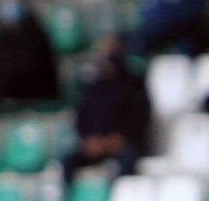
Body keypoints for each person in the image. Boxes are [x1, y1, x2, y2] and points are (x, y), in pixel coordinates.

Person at [59, 36, 151, 186]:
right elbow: (82, 118)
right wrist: (89, 139)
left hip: (124, 143)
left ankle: (121, 200)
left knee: (127, 162)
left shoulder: (134, 85)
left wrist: (121, 137)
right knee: (68, 161)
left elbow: (140, 118)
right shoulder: (93, 87)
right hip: (98, 144)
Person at [0, 0, 59, 114]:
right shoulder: (6, 31)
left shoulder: (34, 31)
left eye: (12, 0)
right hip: (13, 88)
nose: (8, 5)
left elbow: (26, 67)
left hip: (33, 91)